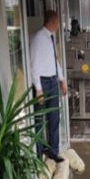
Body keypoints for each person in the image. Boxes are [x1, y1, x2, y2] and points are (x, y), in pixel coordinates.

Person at [30, 10, 67, 163]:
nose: (59, 25)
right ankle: (38, 154)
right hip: (43, 84)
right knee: (39, 119)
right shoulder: (38, 39)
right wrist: (38, 88)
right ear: (52, 23)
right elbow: (34, 65)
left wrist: (62, 79)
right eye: (58, 22)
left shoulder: (51, 38)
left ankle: (53, 151)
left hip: (52, 81)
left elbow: (55, 61)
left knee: (54, 118)